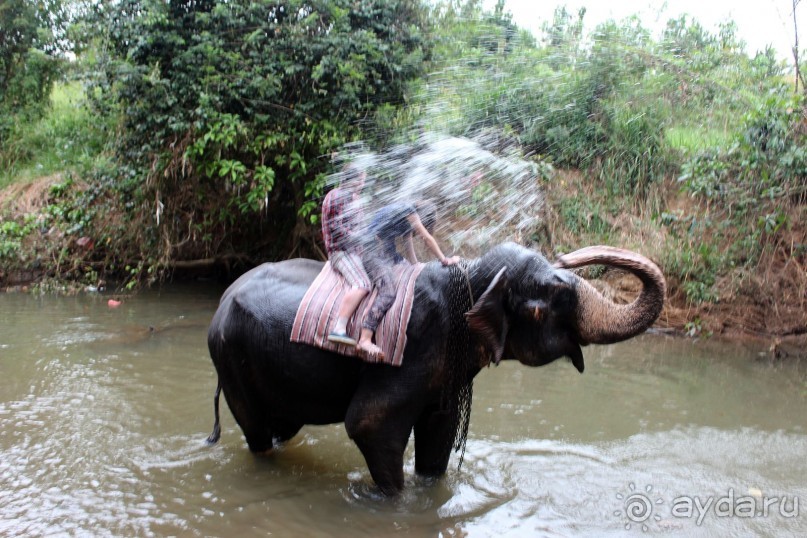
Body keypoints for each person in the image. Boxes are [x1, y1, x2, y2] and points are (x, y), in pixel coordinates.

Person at [356, 200, 460, 360]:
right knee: (388, 292)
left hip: (387, 253)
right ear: (423, 217)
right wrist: (445, 259)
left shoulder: (405, 218)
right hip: (372, 253)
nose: (422, 228)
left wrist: (416, 266)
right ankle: (365, 338)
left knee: (406, 269)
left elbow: (408, 247)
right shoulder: (408, 211)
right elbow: (426, 238)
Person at [322, 164, 372, 347]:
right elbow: (336, 229)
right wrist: (361, 238)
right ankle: (339, 328)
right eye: (362, 180)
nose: (363, 184)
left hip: (354, 252)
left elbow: (360, 227)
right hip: (340, 252)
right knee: (362, 284)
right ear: (354, 180)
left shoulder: (354, 198)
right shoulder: (337, 196)